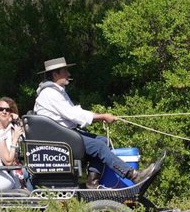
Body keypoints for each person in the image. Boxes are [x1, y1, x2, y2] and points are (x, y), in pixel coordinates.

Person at [33, 57, 157, 189]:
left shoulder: (56, 91)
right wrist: (102, 116)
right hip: (59, 139)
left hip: (64, 134)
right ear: (55, 74)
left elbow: (74, 111)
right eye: (65, 71)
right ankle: (133, 175)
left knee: (103, 141)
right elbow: (73, 115)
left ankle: (92, 182)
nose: (69, 74)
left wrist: (98, 116)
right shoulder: (50, 94)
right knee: (99, 147)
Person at [0, 96, 30, 189]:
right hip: (5, 170)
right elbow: (7, 161)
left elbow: (28, 138)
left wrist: (18, 120)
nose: (4, 112)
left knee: (34, 172)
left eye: (7, 109)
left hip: (19, 168)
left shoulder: (13, 127)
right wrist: (15, 139)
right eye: (1, 109)